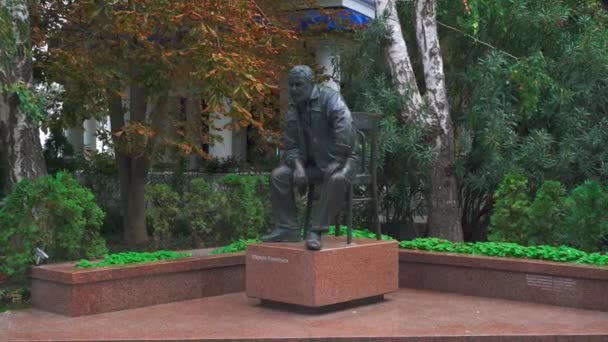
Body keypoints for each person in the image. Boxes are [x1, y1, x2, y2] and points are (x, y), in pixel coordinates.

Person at [261, 65, 356, 250]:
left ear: (311, 84)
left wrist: (338, 159)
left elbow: (345, 126)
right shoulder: (292, 110)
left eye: (299, 85)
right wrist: (298, 167)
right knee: (279, 175)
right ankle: (287, 228)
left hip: (342, 160)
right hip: (312, 165)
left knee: (337, 178)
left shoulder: (330, 98)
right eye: (292, 85)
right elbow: (291, 145)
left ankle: (316, 231)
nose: (294, 89)